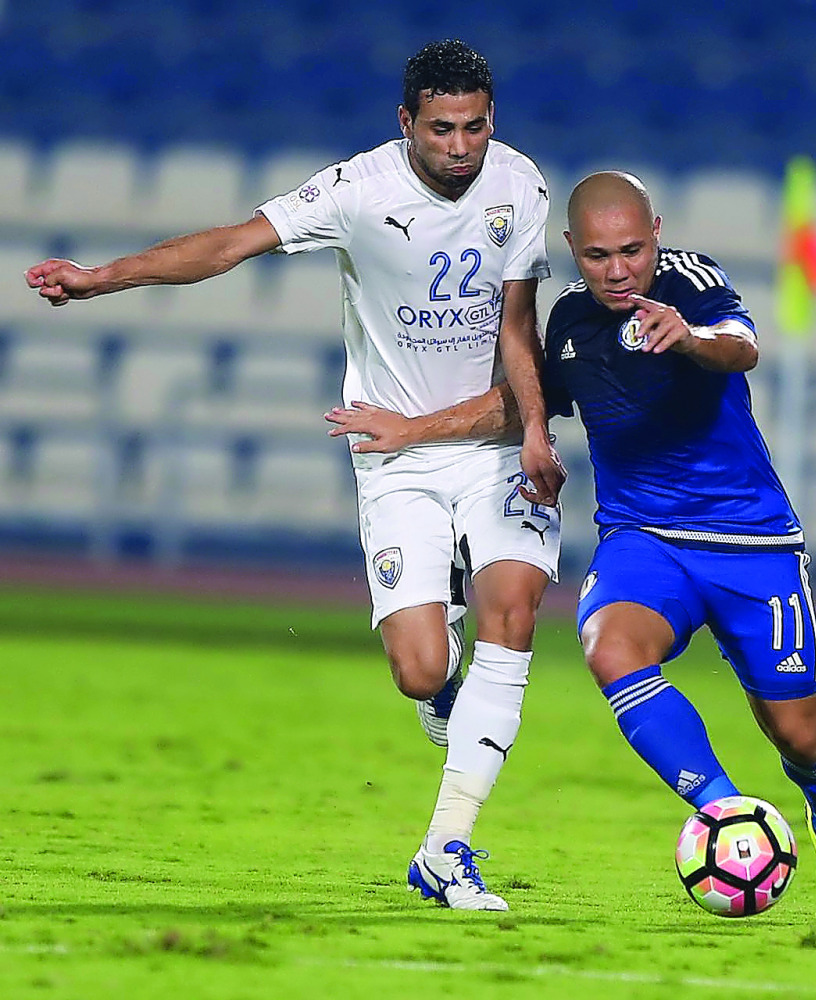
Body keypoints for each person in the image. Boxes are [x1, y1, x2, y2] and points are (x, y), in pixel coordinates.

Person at [24, 39, 565, 912]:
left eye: (473, 128)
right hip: (392, 454)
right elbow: (232, 244)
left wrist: (536, 429)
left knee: (515, 605)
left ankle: (446, 847)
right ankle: (445, 673)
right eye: (440, 130)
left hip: (492, 444)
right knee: (423, 673)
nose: (459, 148)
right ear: (405, 124)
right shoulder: (357, 191)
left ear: (490, 121)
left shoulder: (520, 184)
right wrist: (100, 280)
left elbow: (516, 325)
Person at [331, 170, 816, 925]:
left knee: (799, 733)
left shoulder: (689, 283)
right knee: (608, 646)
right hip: (642, 537)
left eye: (631, 250)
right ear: (571, 252)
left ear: (655, 231)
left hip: (748, 541)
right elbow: (525, 401)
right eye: (596, 257)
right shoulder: (571, 324)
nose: (618, 271)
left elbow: (740, 346)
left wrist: (687, 337)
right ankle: (724, 814)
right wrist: (410, 429)